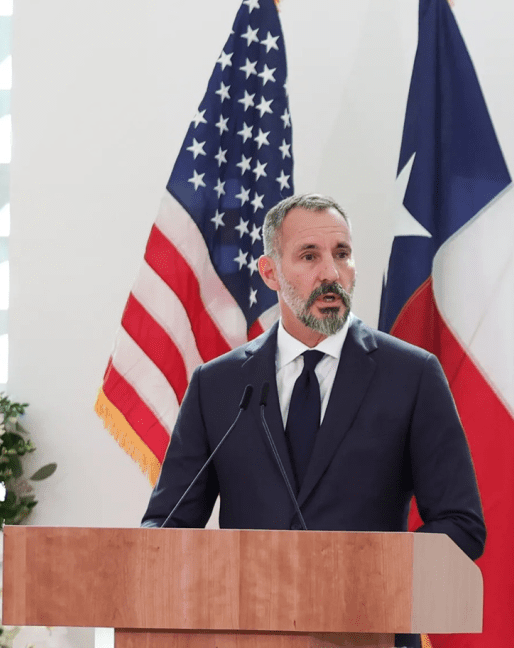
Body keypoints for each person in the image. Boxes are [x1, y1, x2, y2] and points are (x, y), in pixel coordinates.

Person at [142, 194, 485, 643]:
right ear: (270, 273)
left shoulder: (412, 375)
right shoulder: (218, 385)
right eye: (309, 256)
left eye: (341, 254)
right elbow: (167, 526)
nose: (331, 273)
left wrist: (366, 574)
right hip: (246, 633)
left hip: (368, 632)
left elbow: (461, 524)